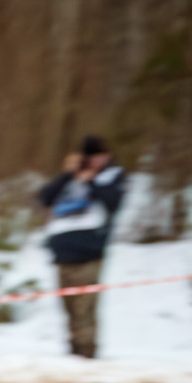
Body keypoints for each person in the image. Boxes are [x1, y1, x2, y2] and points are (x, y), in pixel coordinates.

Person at [38, 135, 127, 359]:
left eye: (98, 157)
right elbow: (44, 198)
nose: (93, 162)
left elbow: (113, 203)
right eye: (89, 158)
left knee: (84, 309)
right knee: (69, 309)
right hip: (61, 252)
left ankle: (86, 354)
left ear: (107, 156)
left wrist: (91, 181)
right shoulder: (69, 178)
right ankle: (74, 354)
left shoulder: (112, 175)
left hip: (89, 252)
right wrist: (69, 174)